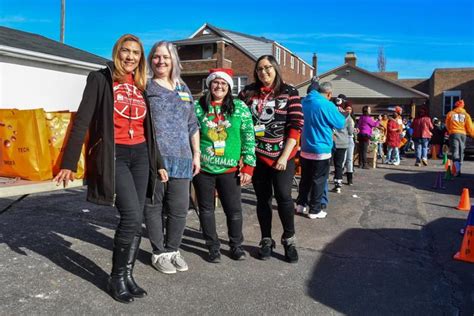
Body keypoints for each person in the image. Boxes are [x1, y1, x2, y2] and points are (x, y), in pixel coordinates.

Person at [54, 34, 164, 303]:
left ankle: (128, 276)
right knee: (129, 215)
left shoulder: (141, 85)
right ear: (117, 53)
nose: (130, 57)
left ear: (141, 58)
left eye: (136, 53)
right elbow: (82, 121)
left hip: (140, 155)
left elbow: (149, 130)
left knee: (137, 218)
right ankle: (116, 277)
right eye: (126, 51)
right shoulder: (100, 79)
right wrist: (68, 162)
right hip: (115, 155)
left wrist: (158, 163)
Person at [239, 55, 303, 263]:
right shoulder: (247, 93)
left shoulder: (289, 92)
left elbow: (295, 125)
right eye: (259, 69)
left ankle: (289, 239)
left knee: (284, 196)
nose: (263, 72)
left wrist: (285, 156)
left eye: (267, 68)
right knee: (263, 199)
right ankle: (266, 239)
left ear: (275, 68)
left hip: (282, 155)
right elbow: (238, 120)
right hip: (257, 156)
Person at [144, 41, 200, 274]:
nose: (161, 61)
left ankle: (173, 249)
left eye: (166, 57)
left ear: (174, 60)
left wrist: (196, 153)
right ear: (150, 60)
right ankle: (159, 252)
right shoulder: (146, 86)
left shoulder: (183, 88)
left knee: (178, 209)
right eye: (156, 57)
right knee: (154, 206)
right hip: (157, 158)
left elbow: (192, 123)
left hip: (183, 158)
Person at [193, 68, 256, 263]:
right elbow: (190, 133)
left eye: (223, 83)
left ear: (229, 87)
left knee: (233, 209)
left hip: (230, 170)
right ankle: (212, 247)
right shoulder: (198, 106)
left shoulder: (239, 107)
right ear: (209, 84)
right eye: (215, 82)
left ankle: (236, 245)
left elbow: (248, 136)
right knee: (206, 209)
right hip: (203, 169)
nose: (219, 86)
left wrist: (248, 165)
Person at [295, 81, 345, 219]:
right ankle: (315, 210)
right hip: (321, 148)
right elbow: (340, 123)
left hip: (305, 146)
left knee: (305, 178)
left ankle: (300, 205)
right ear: (329, 94)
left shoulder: (304, 102)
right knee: (319, 180)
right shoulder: (327, 104)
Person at [445, 100, 474, 175]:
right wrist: (472, 135)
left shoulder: (450, 114)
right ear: (462, 106)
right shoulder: (466, 115)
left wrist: (450, 131)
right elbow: (470, 127)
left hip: (454, 134)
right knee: (461, 151)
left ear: (455, 106)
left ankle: (457, 170)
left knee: (455, 152)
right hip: (463, 134)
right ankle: (459, 168)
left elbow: (447, 125)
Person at [331, 97, 354, 193]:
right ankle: (338, 184)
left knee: (327, 163)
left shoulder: (330, 113)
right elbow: (350, 131)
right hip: (343, 142)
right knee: (339, 164)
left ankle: (323, 183)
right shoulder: (347, 115)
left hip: (331, 141)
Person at [343, 103, 356, 185]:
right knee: (343, 159)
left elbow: (351, 131)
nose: (348, 110)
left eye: (350, 109)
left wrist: (355, 130)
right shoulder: (342, 118)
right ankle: (338, 177)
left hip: (350, 139)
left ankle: (349, 178)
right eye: (347, 109)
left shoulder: (352, 119)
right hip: (343, 140)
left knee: (349, 159)